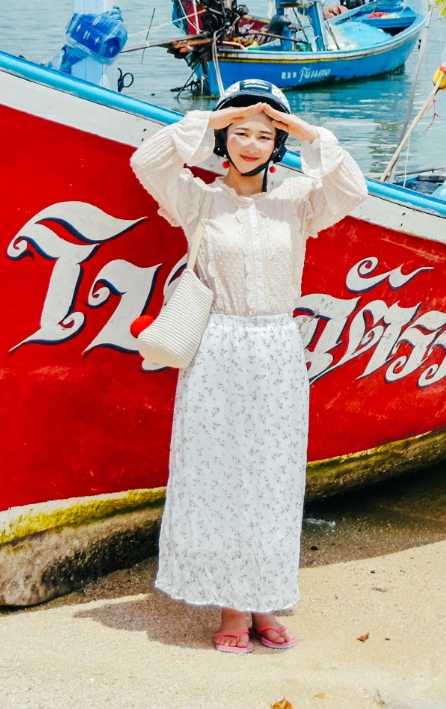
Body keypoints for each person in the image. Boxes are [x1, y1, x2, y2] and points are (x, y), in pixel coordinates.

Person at [129, 79, 368, 654]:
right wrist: (213, 118)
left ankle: (266, 599)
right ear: (224, 138)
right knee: (220, 476)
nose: (251, 144)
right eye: (241, 132)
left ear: (278, 142)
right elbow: (147, 159)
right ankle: (234, 607)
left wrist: (306, 131)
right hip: (216, 348)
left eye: (265, 134)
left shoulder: (298, 199)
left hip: (276, 349)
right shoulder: (198, 199)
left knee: (273, 479)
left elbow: (353, 187)